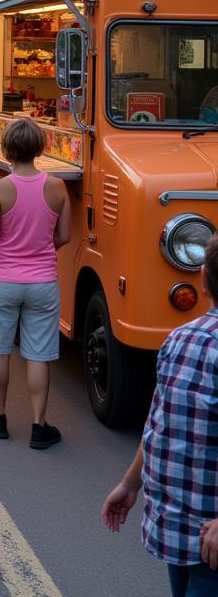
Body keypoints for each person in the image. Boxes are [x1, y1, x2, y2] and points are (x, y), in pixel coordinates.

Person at [102, 235, 218, 596]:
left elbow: (158, 423)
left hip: (178, 527)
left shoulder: (179, 338)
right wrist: (131, 483)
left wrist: (129, 483)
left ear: (202, 278)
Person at [0, 118, 70, 447]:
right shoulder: (57, 187)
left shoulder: (0, 188)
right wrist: (40, 251)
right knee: (38, 355)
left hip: (2, 279)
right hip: (43, 281)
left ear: (7, 149)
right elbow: (65, 235)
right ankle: (39, 426)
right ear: (40, 147)